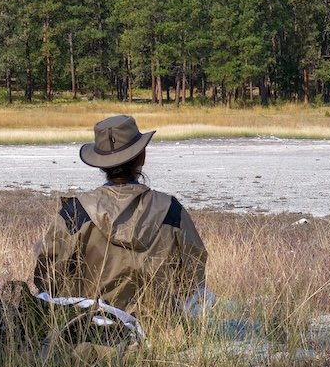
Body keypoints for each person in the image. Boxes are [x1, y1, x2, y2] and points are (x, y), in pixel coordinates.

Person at [33, 115, 209, 318]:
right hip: (161, 327)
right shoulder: (171, 210)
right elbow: (194, 276)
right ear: (142, 157)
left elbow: (47, 275)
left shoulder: (76, 212)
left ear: (100, 165)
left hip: (89, 328)